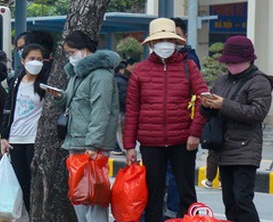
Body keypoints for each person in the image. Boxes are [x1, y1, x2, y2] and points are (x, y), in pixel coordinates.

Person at [124, 18, 209, 222]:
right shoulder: (140, 71)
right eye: (160, 40)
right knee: (153, 194)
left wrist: (195, 132)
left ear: (176, 42)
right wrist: (129, 146)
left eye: (169, 40)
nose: (165, 45)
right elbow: (132, 109)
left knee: (186, 193)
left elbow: (203, 99)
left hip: (183, 141)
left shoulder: (189, 66)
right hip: (150, 143)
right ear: (152, 44)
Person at [48, 31, 119, 222]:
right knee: (80, 195)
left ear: (84, 50)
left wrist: (93, 144)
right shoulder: (77, 75)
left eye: (71, 52)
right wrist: (59, 97)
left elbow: (101, 111)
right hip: (76, 141)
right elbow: (74, 102)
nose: (70, 57)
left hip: (91, 145)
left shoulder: (101, 76)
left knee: (94, 198)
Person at [201, 36, 272, 222]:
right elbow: (211, 115)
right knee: (229, 201)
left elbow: (257, 113)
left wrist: (223, 104)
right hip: (223, 149)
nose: (230, 65)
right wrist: (206, 105)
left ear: (248, 59)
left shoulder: (259, 81)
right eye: (228, 62)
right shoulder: (222, 80)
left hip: (245, 149)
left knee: (243, 200)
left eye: (234, 62)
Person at [0, 43, 48, 213]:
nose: (36, 62)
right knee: (22, 184)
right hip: (15, 139)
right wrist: (4, 137)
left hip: (34, 140)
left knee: (36, 185)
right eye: (32, 59)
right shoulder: (15, 82)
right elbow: (8, 109)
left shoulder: (45, 83)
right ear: (23, 61)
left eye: (39, 59)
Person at [112, 62, 129, 155]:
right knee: (120, 129)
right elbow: (123, 96)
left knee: (117, 129)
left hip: (115, 108)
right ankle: (118, 147)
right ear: (121, 70)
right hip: (121, 109)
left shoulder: (113, 79)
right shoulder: (122, 81)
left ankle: (116, 147)